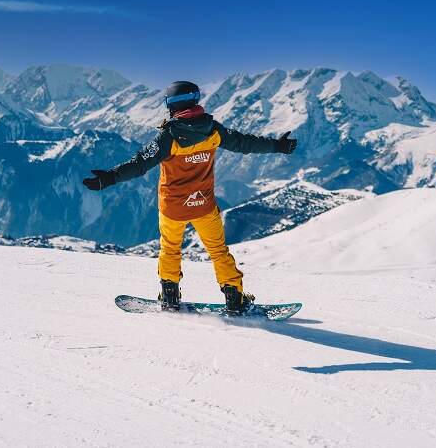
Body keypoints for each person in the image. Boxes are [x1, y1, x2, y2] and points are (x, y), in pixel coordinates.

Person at [82, 80, 297, 314]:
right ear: (194, 100)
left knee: (170, 249)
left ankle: (169, 297)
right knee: (218, 251)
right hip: (203, 206)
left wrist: (109, 178)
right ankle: (235, 299)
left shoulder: (169, 137)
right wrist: (279, 146)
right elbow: (245, 143)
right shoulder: (213, 130)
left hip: (173, 207)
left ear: (171, 106)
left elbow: (140, 163)